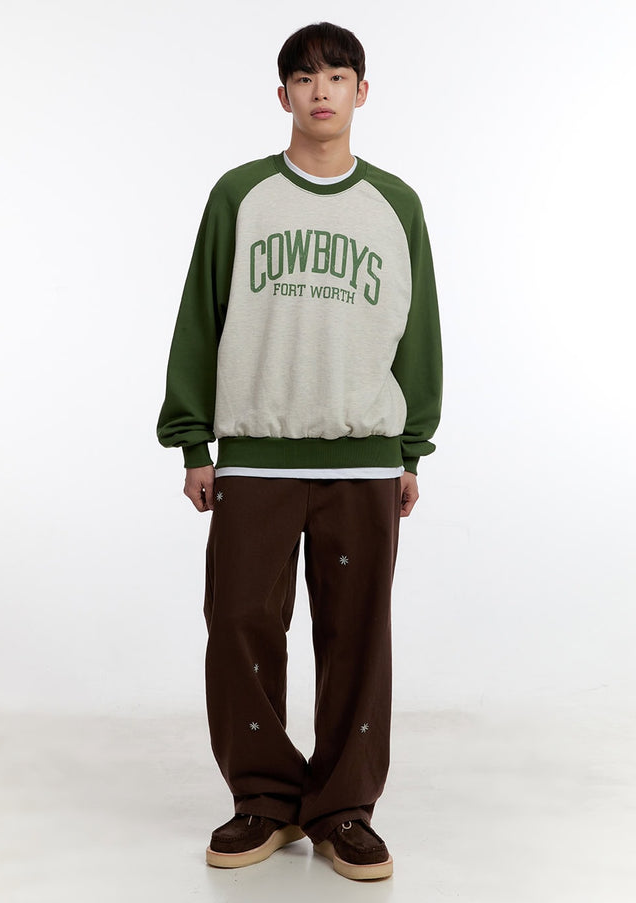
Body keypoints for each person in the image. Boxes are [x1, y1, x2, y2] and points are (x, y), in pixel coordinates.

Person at [157, 22, 442, 881]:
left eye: (338, 76)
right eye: (306, 78)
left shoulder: (395, 205)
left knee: (357, 636)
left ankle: (344, 809)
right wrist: (193, 439)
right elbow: (201, 316)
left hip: (363, 456)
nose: (322, 91)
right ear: (282, 95)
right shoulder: (240, 195)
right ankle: (264, 799)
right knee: (240, 624)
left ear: (362, 92)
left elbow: (417, 331)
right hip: (256, 456)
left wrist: (411, 450)